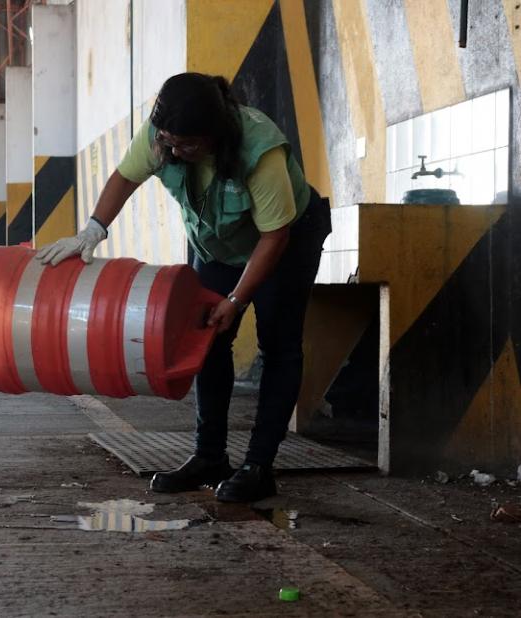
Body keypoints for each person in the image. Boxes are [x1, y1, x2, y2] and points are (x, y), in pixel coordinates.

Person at [37, 72, 331, 502]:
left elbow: (274, 236)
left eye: (187, 145)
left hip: (284, 242)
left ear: (216, 134)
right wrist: (91, 232)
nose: (175, 151)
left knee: (279, 346)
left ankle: (258, 466)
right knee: (207, 341)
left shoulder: (258, 149)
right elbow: (124, 177)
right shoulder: (163, 136)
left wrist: (236, 298)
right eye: (170, 143)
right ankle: (209, 456)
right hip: (217, 244)